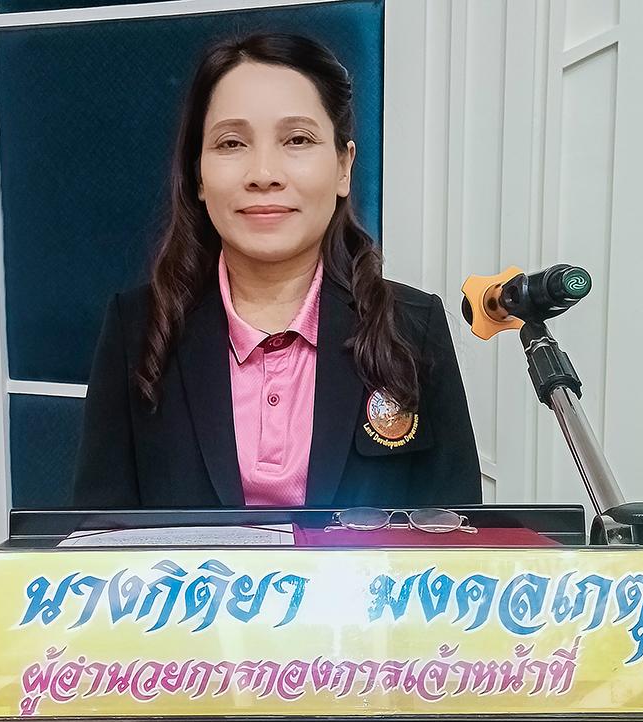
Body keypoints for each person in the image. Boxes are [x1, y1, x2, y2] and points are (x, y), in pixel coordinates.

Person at [73, 33, 480, 508]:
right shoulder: (137, 329)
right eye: (231, 143)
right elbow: (96, 536)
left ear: (344, 166)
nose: (263, 174)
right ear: (198, 175)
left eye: (297, 140)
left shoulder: (413, 326)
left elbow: (456, 533)